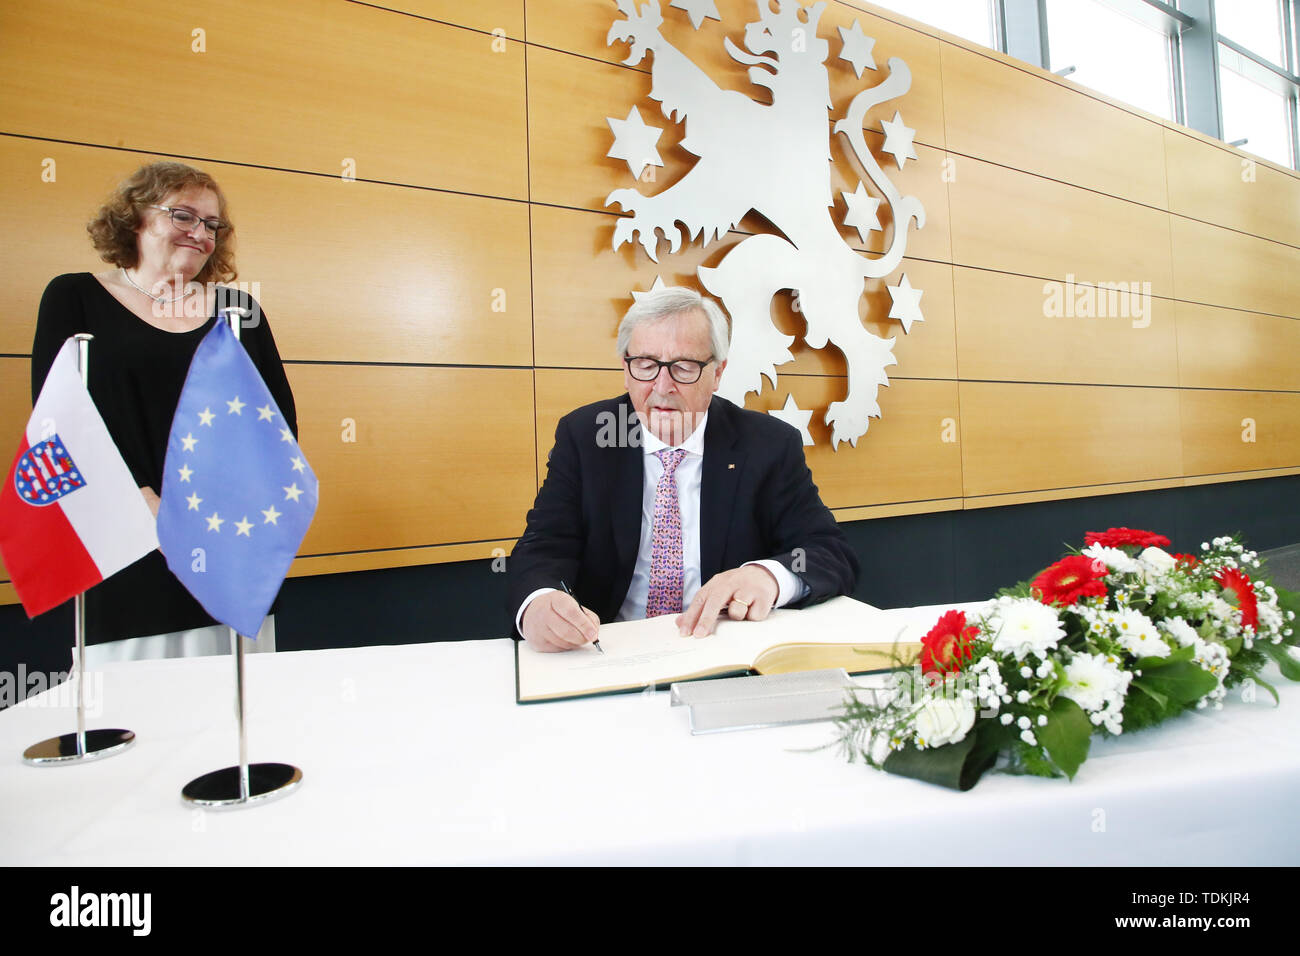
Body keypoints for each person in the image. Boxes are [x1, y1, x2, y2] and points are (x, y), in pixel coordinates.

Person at [30, 161, 297, 662]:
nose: (201, 234)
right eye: (184, 216)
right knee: (143, 717)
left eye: (212, 225)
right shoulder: (73, 297)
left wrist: (217, 513)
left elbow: (277, 426)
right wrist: (145, 504)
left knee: (242, 711)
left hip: (227, 541)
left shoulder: (240, 311)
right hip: (123, 543)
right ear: (135, 217)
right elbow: (54, 423)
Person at [509, 287, 858, 652]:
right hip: (610, 650)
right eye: (645, 365)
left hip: (721, 647)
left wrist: (767, 576)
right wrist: (538, 600)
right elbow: (543, 546)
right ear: (626, 370)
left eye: (684, 367)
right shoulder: (587, 436)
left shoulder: (768, 445)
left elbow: (830, 554)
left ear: (718, 373)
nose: (662, 387)